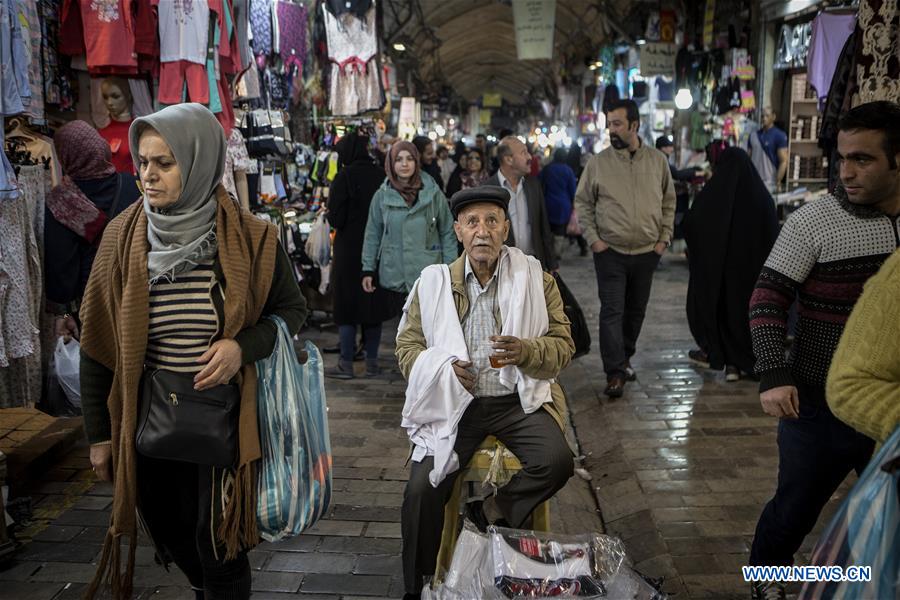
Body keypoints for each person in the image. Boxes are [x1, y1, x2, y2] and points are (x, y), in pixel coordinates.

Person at [79, 104, 307, 600]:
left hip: (225, 415)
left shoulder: (252, 238)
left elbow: (292, 310)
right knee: (171, 532)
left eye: (165, 162)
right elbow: (98, 344)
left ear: (199, 160)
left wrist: (241, 347)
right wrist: (99, 434)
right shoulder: (122, 238)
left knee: (218, 543)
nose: (148, 175)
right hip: (151, 416)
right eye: (142, 162)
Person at [746, 101, 900, 600]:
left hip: (888, 410)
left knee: (884, 516)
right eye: (842, 158)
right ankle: (767, 585)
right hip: (818, 404)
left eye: (864, 160)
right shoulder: (816, 222)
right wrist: (773, 373)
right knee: (792, 513)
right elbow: (767, 296)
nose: (847, 172)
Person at [396, 185, 575, 599]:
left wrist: (528, 351)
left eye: (492, 221)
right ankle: (417, 586)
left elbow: (564, 346)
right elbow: (406, 348)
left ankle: (487, 511)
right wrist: (442, 371)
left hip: (518, 401)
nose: (483, 231)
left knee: (557, 460)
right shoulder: (434, 283)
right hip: (458, 407)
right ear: (458, 230)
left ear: (506, 229)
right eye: (473, 222)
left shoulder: (535, 278)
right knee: (421, 490)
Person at [573, 99, 675, 398]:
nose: (611, 130)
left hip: (647, 252)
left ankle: (626, 356)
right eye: (609, 124)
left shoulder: (657, 161)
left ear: (634, 125)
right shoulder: (598, 163)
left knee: (635, 312)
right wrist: (594, 239)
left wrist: (663, 239)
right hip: (611, 253)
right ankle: (614, 372)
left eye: (617, 124)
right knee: (612, 311)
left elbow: (669, 201)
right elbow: (583, 203)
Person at [682, 147, 778, 382]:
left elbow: (693, 223)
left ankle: (732, 365)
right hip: (756, 277)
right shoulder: (762, 197)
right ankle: (750, 361)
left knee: (726, 314)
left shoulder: (715, 195)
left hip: (724, 275)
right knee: (750, 317)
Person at [44, 120, 141, 341]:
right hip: (136, 290)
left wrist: (66, 313)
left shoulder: (61, 201)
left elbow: (61, 265)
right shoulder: (134, 185)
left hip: (92, 301)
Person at [361, 140, 457, 317]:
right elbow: (373, 234)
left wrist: (450, 269)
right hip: (395, 275)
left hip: (429, 275)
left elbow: (447, 232)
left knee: (429, 335)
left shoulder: (433, 193)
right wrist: (368, 268)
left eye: (409, 159)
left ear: (417, 161)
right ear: (391, 163)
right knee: (402, 336)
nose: (404, 164)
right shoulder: (381, 196)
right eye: (398, 159)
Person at [325, 131, 391, 379]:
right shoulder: (380, 175)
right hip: (375, 251)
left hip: (348, 251)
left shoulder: (344, 177)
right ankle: (372, 363)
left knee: (346, 306)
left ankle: (346, 363)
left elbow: (336, 217)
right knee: (371, 305)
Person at [827, 248, 900, 444]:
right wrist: (773, 374)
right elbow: (770, 292)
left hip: (877, 419)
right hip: (813, 399)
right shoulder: (808, 224)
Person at [485, 136, 557, 271]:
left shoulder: (533, 185)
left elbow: (543, 227)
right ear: (508, 159)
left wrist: (552, 264)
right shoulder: (488, 189)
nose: (530, 157)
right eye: (524, 153)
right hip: (501, 268)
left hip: (533, 265)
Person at [539, 147, 585, 257]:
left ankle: (549, 252)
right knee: (560, 230)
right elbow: (573, 190)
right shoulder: (568, 170)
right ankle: (556, 253)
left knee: (548, 229)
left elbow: (540, 183)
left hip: (548, 203)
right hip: (564, 205)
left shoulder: (548, 168)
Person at [655, 135, 701, 242]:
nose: (672, 149)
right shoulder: (661, 159)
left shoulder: (659, 158)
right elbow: (677, 174)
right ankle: (676, 236)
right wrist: (694, 171)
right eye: (669, 146)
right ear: (663, 148)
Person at [97, 77, 136, 174]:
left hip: (131, 186)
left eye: (115, 96)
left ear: (128, 95)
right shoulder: (100, 134)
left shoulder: (137, 131)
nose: (109, 103)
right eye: (105, 97)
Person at [748, 106, 789, 193]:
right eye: (762, 116)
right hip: (753, 182)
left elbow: (784, 161)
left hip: (770, 183)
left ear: (773, 117)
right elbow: (748, 160)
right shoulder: (753, 135)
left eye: (767, 116)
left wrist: (778, 181)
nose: (764, 118)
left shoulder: (779, 135)